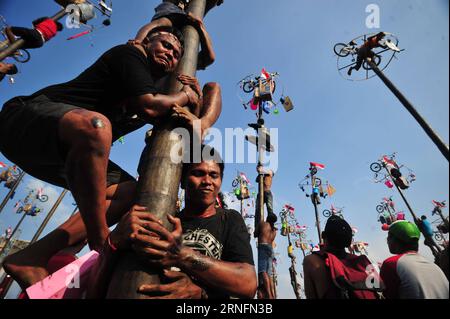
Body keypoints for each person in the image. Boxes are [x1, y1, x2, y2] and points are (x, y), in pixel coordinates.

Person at [0, 26, 210, 290]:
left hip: (55, 152)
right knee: (97, 128)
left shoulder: (157, 91)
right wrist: (184, 95)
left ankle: (32, 257)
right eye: (165, 45)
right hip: (22, 120)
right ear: (145, 43)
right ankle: (100, 241)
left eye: (176, 53)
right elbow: (148, 103)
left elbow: (186, 122)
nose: (170, 53)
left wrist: (196, 96)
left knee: (131, 192)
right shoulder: (130, 57)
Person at [88, 145, 257, 299]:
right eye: (198, 173)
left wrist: (183, 257)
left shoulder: (229, 219)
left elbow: (247, 283)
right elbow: (94, 292)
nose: (207, 181)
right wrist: (113, 241)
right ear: (182, 181)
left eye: (214, 175)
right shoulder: (160, 221)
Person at [303, 216, 381, 299]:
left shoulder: (312, 261)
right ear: (349, 241)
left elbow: (311, 295)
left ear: (323, 235)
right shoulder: (362, 262)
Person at [132, 0, 216, 70]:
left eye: (175, 53)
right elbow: (209, 58)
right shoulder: (180, 62)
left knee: (166, 20)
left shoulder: (173, 61)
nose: (170, 54)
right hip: (175, 13)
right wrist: (200, 27)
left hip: (173, 15)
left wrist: (138, 42)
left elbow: (157, 24)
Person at [380, 220, 449, 299]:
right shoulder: (434, 266)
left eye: (389, 237)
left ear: (395, 239)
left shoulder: (392, 263)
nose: (387, 241)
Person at [254, 207, 277, 299]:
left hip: (263, 248)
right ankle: (272, 295)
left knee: (263, 272)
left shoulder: (263, 223)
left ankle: (268, 295)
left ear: (267, 218)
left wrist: (258, 229)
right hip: (270, 249)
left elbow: (255, 234)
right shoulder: (274, 230)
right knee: (269, 274)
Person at [254, 165, 276, 237]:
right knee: (257, 211)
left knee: (270, 209)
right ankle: (257, 228)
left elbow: (268, 172)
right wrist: (259, 171)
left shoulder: (270, 173)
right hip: (260, 194)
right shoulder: (262, 175)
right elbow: (257, 179)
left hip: (267, 192)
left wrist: (260, 169)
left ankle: (271, 224)